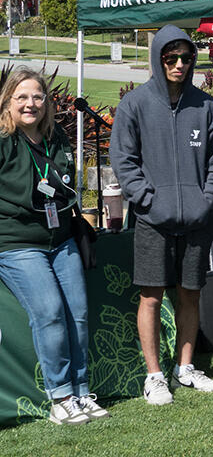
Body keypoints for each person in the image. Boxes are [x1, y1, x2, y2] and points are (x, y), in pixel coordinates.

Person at [110, 26, 213, 405]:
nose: (179, 65)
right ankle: (155, 375)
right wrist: (148, 201)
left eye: (186, 58)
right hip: (152, 220)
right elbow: (124, 162)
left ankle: (186, 367)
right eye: (170, 58)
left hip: (196, 219)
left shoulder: (206, 106)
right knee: (150, 297)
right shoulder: (135, 104)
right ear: (158, 59)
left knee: (191, 295)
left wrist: (206, 200)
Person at [0, 69, 104, 424]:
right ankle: (60, 398)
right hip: (17, 243)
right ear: (8, 101)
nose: (31, 104)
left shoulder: (55, 136)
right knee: (49, 312)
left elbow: (70, 184)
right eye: (22, 97)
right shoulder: (2, 140)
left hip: (60, 239)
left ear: (46, 102)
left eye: (38, 97)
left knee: (77, 313)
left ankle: (80, 390)